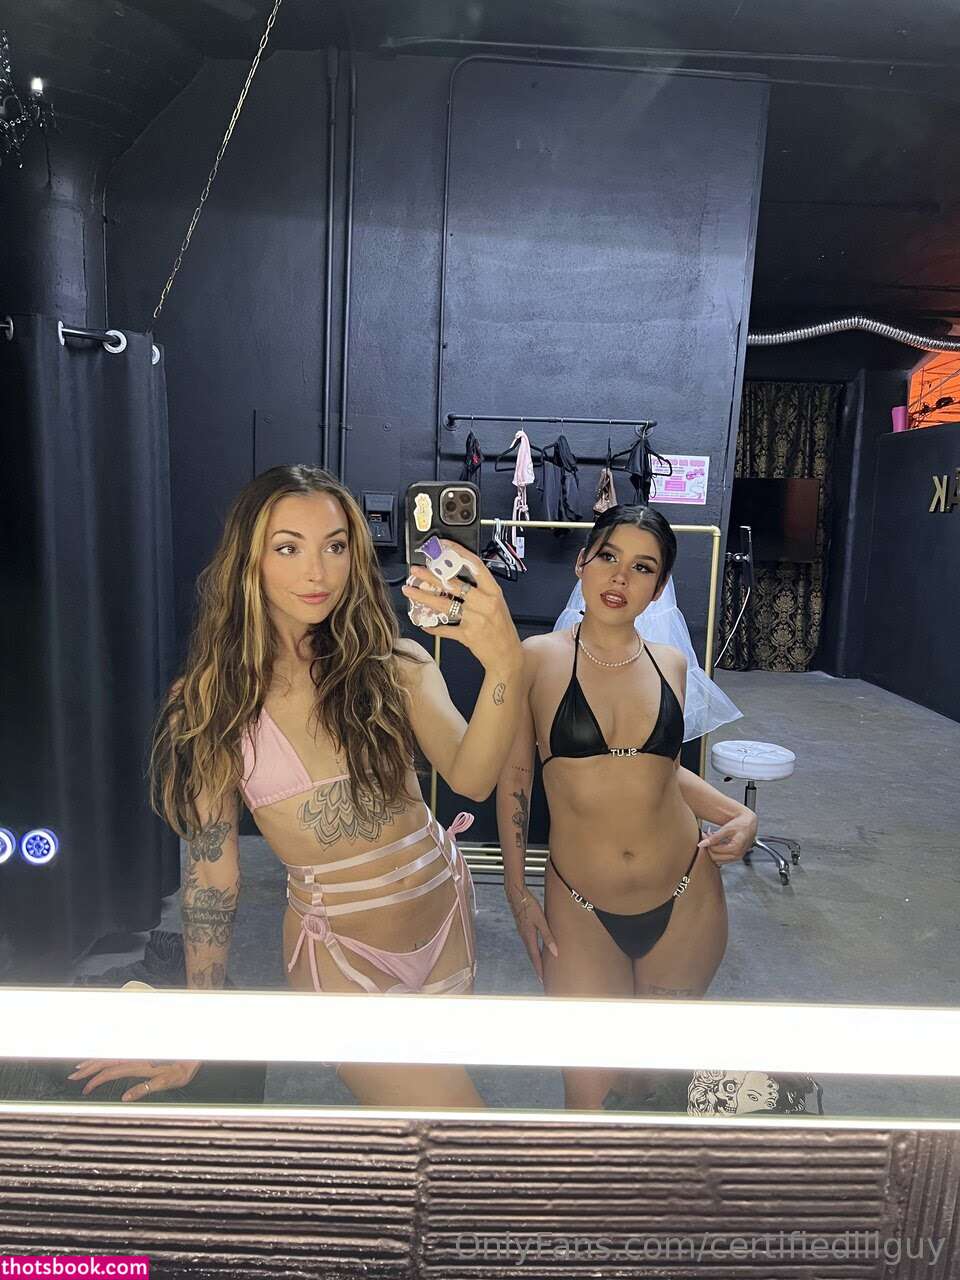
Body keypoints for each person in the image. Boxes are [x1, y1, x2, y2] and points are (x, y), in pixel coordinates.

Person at [70, 464, 523, 1107]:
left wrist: (505, 662)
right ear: (249, 560)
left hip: (446, 918)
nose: (317, 572)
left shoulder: (392, 666)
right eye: (289, 548)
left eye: (335, 546)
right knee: (467, 1135)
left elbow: (472, 778)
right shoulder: (211, 704)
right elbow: (212, 876)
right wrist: (199, 1021)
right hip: (344, 956)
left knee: (422, 1136)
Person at [496, 504, 758, 1110]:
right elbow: (516, 778)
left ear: (659, 588)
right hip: (580, 907)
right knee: (590, 1099)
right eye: (608, 557)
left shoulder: (671, 664)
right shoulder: (537, 658)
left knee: (654, 1090)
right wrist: (516, 890)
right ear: (582, 562)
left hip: (686, 896)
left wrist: (738, 815)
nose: (619, 578)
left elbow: (659, 774)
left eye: (642, 568)